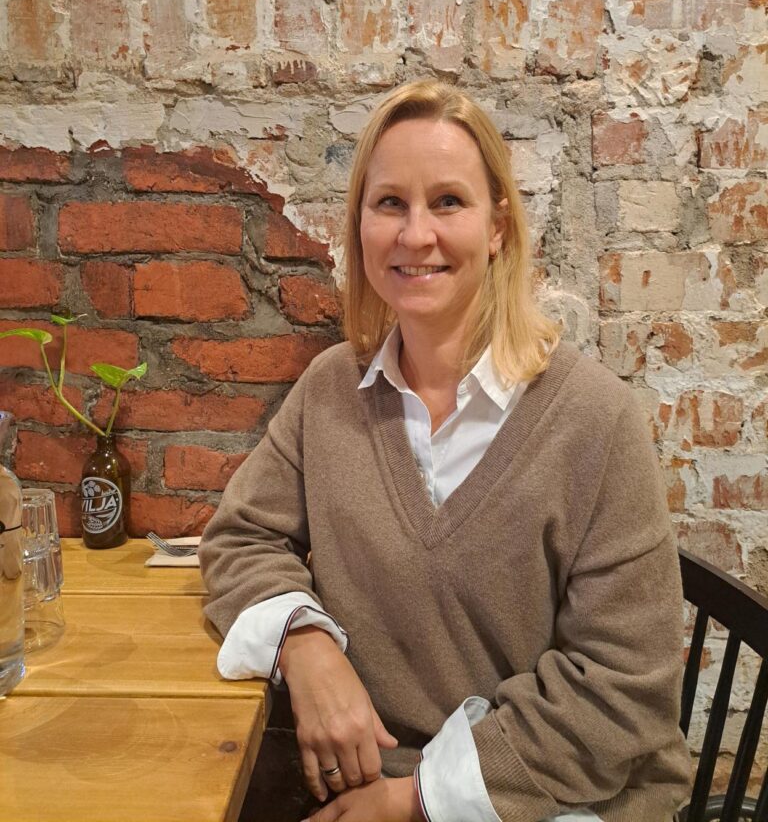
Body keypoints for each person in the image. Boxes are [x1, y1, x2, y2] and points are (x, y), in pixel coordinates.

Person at [199, 80, 691, 822]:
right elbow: (240, 538)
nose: (415, 234)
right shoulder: (330, 390)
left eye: (448, 202)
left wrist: (416, 799)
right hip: (362, 780)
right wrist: (304, 644)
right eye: (389, 203)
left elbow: (622, 691)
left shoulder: (596, 420)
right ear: (360, 226)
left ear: (497, 227)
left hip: (551, 799)